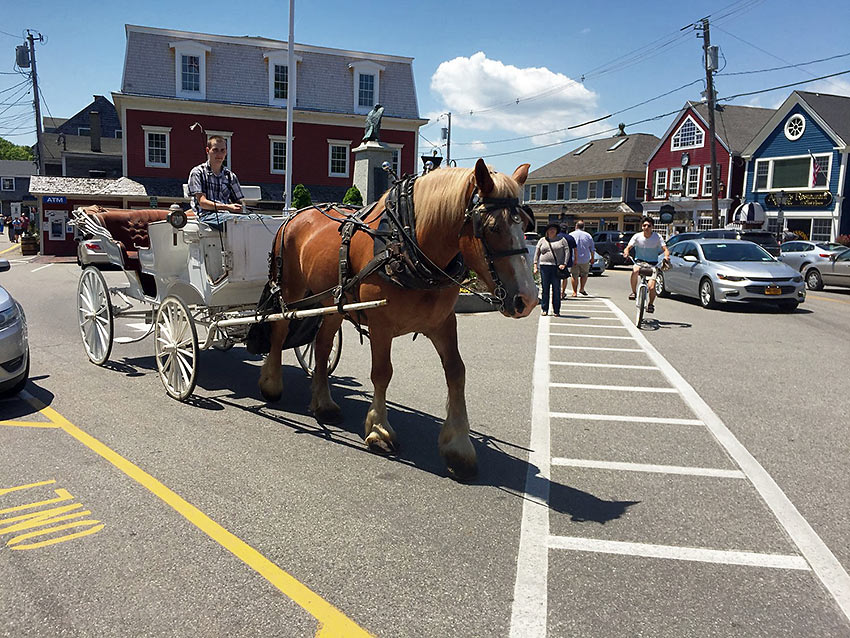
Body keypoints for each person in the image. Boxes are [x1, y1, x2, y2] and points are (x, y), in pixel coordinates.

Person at [188, 135, 247, 229]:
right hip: (206, 217)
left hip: (228, 216)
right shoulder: (198, 172)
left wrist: (239, 207)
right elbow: (202, 202)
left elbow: (240, 203)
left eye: (222, 150)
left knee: (263, 219)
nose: (219, 154)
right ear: (208, 151)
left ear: (226, 152)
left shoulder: (230, 175)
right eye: (215, 150)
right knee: (237, 222)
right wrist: (227, 207)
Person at [623, 216, 669, 314]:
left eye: (649, 225)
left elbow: (665, 249)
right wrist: (626, 252)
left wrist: (666, 257)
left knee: (651, 287)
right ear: (642, 226)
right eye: (644, 225)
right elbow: (628, 247)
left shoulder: (657, 237)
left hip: (652, 264)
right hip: (639, 262)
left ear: (652, 227)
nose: (646, 227)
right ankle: (634, 292)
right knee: (635, 270)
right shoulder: (637, 236)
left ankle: (651, 304)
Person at [533, 222, 571, 317]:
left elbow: (567, 251)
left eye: (554, 229)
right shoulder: (542, 240)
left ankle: (556, 310)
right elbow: (537, 253)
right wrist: (535, 265)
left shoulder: (562, 240)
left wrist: (564, 264)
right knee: (545, 289)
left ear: (557, 231)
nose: (552, 231)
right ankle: (544, 308)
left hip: (556, 267)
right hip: (544, 266)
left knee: (556, 289)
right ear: (547, 231)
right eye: (550, 229)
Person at [568, 220, 596, 297]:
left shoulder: (571, 235)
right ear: (584, 227)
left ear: (576, 226)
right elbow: (592, 248)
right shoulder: (588, 235)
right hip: (585, 258)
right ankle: (582, 288)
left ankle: (574, 292)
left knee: (574, 275)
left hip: (574, 258)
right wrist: (592, 257)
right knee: (584, 274)